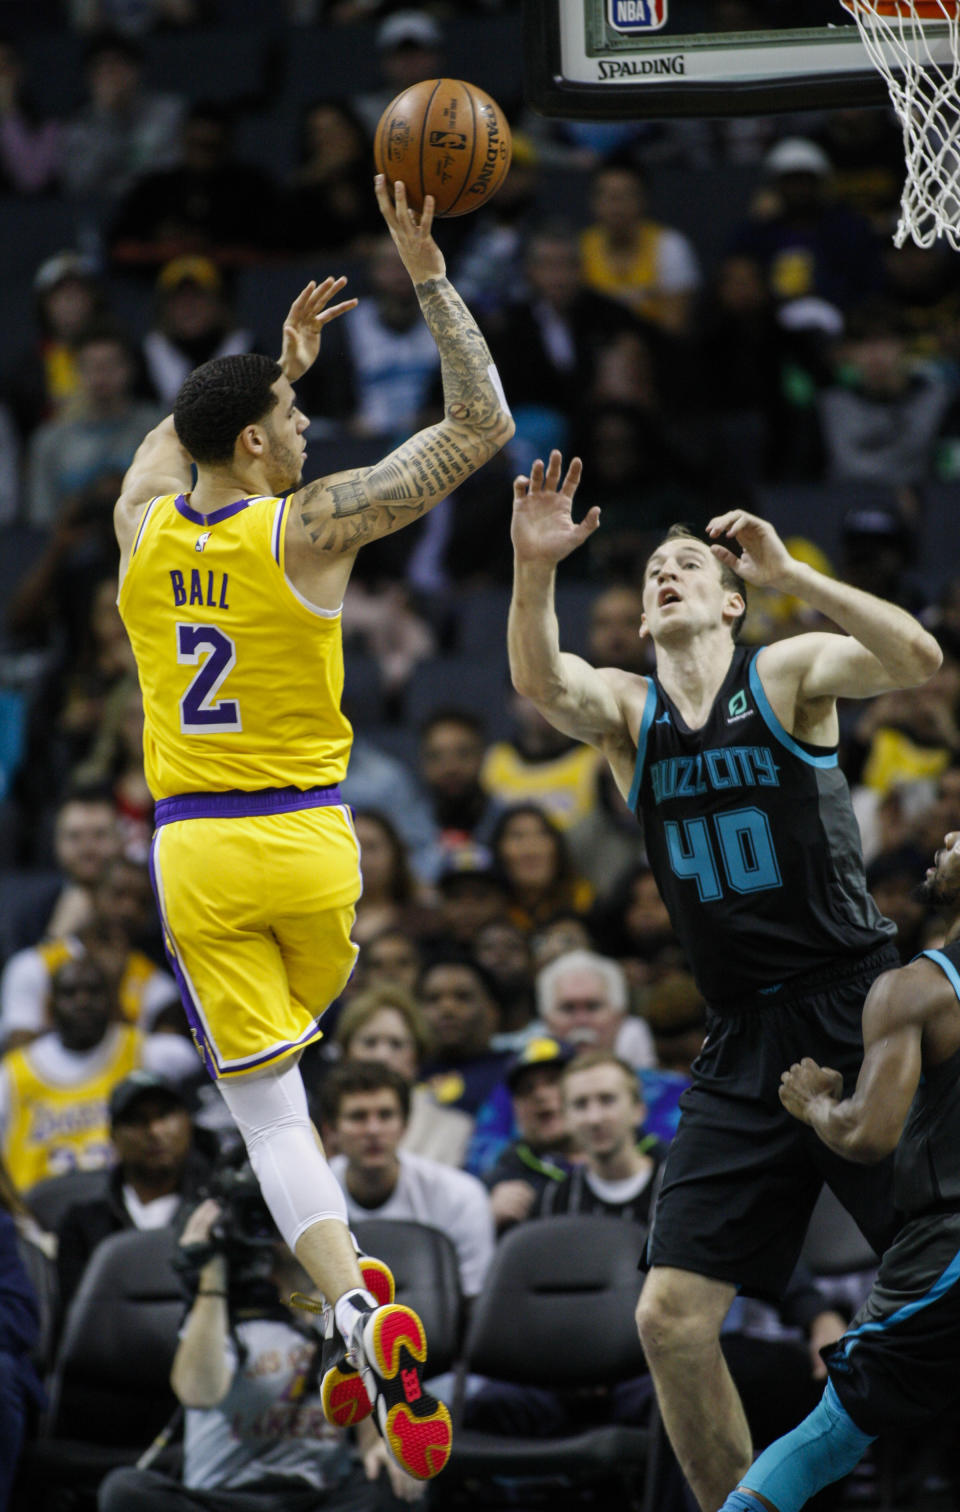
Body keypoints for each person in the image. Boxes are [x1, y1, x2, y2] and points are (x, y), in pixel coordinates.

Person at [112, 172, 513, 1480]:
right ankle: (353, 1325)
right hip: (316, 847)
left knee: (273, 1117)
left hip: (198, 852)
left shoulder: (137, 531)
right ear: (255, 450)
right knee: (299, 1092)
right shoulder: (315, 529)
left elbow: (165, 448)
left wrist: (251, 374)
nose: (304, 419)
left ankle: (350, 1312)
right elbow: (481, 424)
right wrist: (429, 274)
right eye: (290, 410)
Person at [506, 448, 942, 1512]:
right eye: (655, 572)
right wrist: (533, 569)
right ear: (645, 623)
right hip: (741, 1039)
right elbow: (540, 682)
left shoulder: (783, 672)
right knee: (669, 1319)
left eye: (690, 565)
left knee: (945, 1282)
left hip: (859, 1006)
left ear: (732, 604)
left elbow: (918, 657)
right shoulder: (627, 711)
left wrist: (800, 579)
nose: (668, 575)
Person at [718, 826, 960, 1512]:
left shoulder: (917, 988)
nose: (948, 836)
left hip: (947, 1253)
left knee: (833, 1432)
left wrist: (818, 1104)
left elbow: (868, 1135)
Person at [98, 1177, 416, 1512]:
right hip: (222, 1499)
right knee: (125, 1490)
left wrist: (380, 1448)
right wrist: (211, 1271)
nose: (292, 1231)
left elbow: (370, 1402)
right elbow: (197, 1393)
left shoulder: (347, 1305)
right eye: (278, 1219)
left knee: (401, 1478)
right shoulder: (223, 1305)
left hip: (316, 1497)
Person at [0, 954, 198, 1191]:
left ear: (113, 999)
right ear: (49, 1006)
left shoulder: (155, 1054)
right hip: (42, 1217)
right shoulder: (11, 1075)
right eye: (70, 993)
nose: (83, 1001)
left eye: (93, 991)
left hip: (127, 1208)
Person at [322, 1060, 494, 1303]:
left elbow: (474, 1299)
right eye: (358, 1117)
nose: (373, 1130)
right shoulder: (310, 1196)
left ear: (405, 1125)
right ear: (331, 1131)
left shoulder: (460, 1197)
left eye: (386, 1115)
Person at [55, 1068, 217, 1325]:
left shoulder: (216, 1209)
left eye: (165, 1114)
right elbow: (74, 1326)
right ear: (113, 1136)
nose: (154, 1130)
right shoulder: (82, 1223)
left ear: (188, 1122)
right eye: (137, 1120)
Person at [334, 984, 473, 1166]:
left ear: (417, 1057)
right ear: (346, 1054)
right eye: (370, 1042)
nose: (382, 1056)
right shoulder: (314, 1124)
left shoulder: (453, 1128)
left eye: (396, 1044)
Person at [482, 1035, 575, 1232]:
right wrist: (486, 1219)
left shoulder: (636, 1158)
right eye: (526, 1089)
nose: (540, 1095)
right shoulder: (501, 1178)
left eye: (553, 1081)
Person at [534, 947, 656, 1072]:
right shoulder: (519, 1090)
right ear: (546, 1018)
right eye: (568, 1008)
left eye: (593, 1006)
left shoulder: (669, 1090)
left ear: (620, 1015)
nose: (581, 1020)